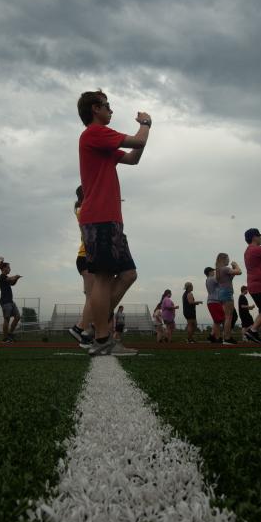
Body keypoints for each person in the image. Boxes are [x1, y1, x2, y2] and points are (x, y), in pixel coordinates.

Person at [75, 89, 150, 356]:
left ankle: (92, 327)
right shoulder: (95, 133)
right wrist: (145, 124)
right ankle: (101, 338)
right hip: (100, 216)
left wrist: (143, 133)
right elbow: (137, 143)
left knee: (128, 274)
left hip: (109, 218)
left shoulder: (102, 144)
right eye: (107, 106)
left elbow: (133, 157)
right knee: (104, 278)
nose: (111, 110)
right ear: (95, 109)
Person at [69, 186, 95, 346]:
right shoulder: (83, 209)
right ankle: (80, 329)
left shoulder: (82, 208)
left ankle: (88, 333)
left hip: (85, 257)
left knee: (92, 297)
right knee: (93, 297)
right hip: (86, 257)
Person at [216, 254, 242, 345]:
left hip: (221, 293)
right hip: (227, 292)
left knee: (227, 316)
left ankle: (226, 337)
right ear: (223, 259)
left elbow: (229, 278)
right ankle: (227, 338)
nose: (228, 260)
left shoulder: (219, 270)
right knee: (229, 316)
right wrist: (236, 265)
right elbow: (239, 272)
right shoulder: (225, 268)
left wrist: (233, 270)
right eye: (227, 259)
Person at [0, 262, 22, 343]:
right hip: (5, 301)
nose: (10, 269)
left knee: (18, 316)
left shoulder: (6, 277)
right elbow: (10, 279)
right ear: (3, 268)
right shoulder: (2, 277)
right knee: (7, 319)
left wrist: (17, 279)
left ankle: (10, 334)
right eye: (8, 267)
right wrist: (15, 276)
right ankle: (5, 338)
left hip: (10, 301)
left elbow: (12, 283)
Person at [204, 267, 224, 343]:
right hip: (214, 301)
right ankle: (218, 338)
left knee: (217, 321)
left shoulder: (208, 279)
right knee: (219, 320)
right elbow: (220, 281)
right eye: (213, 271)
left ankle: (212, 336)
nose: (214, 272)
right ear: (209, 272)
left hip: (213, 301)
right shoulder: (211, 279)